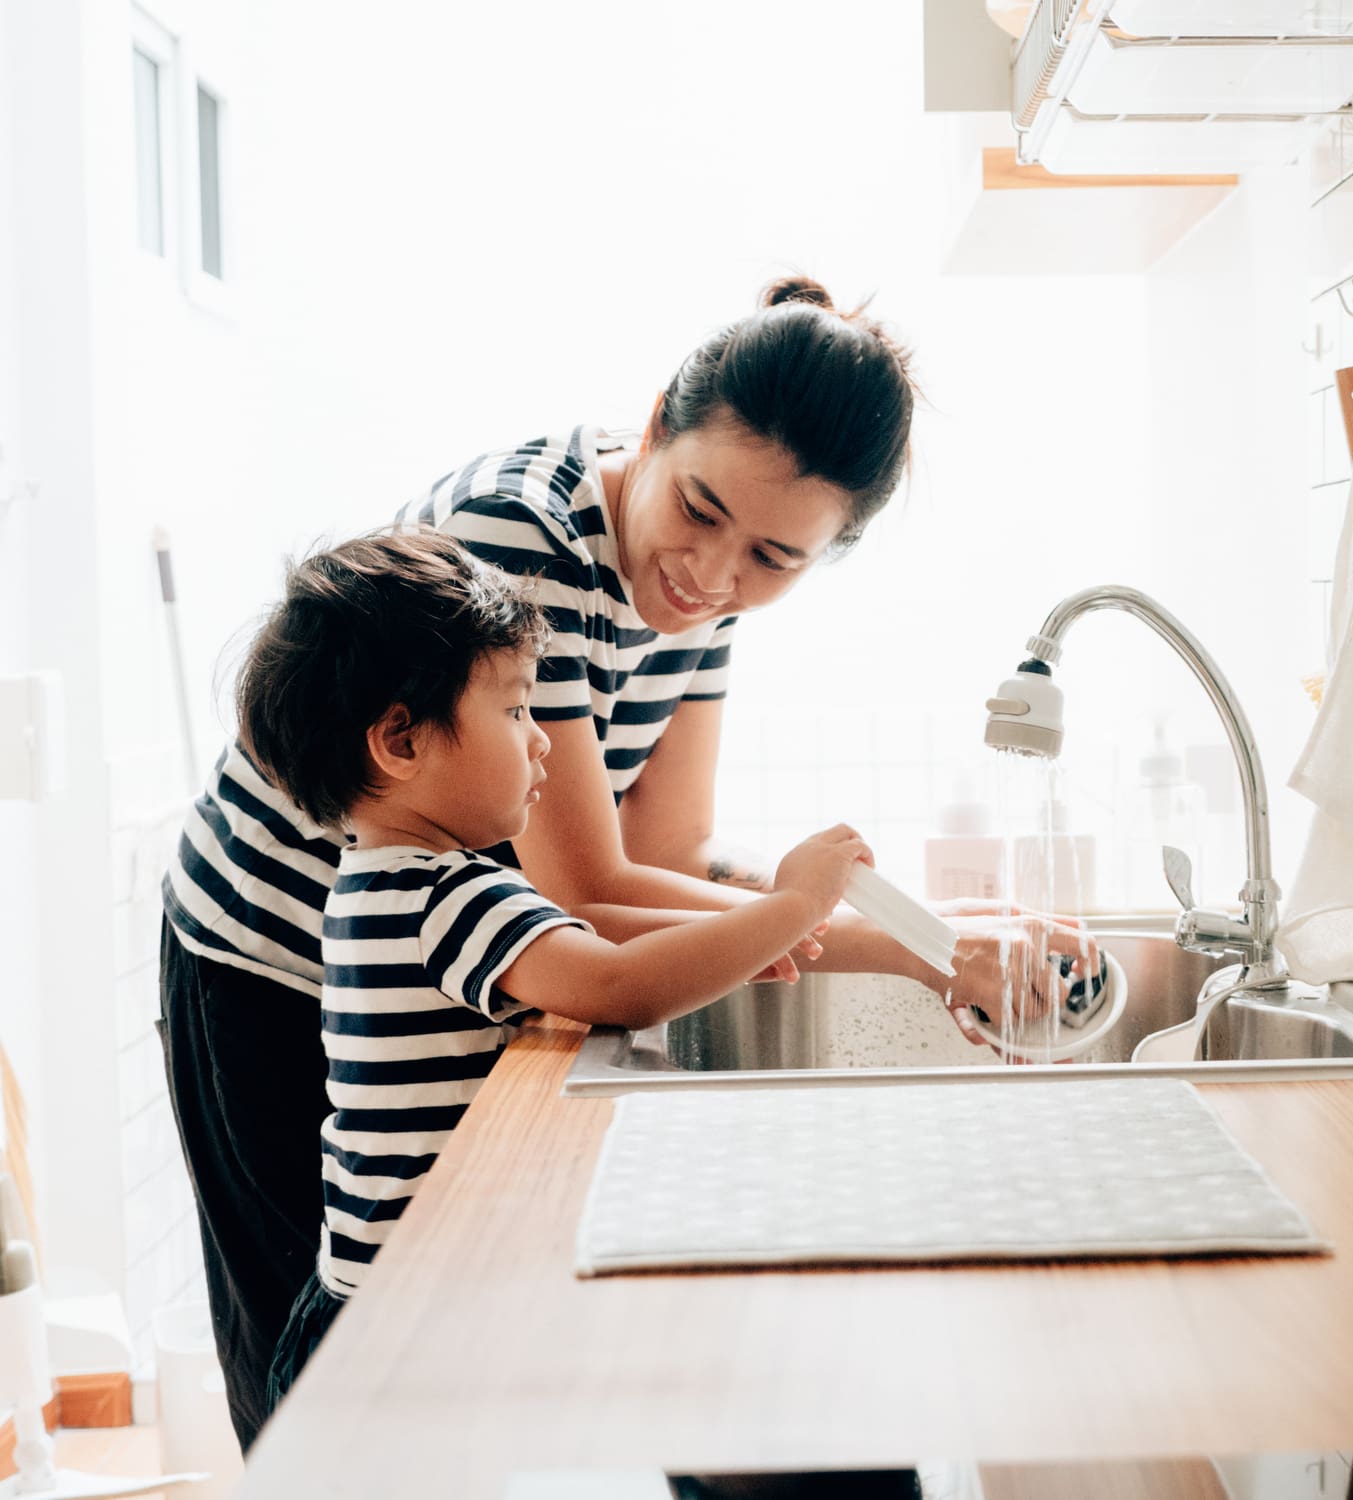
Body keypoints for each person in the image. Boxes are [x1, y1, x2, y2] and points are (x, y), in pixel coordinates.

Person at [159, 276, 1091, 1449]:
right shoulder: (522, 542)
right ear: (652, 423)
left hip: (449, 964)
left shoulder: (710, 599)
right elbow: (588, 899)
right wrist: (907, 951)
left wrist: (911, 926)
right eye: (697, 509)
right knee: (311, 1411)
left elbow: (668, 853)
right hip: (275, 955)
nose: (711, 575)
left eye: (771, 556)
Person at [241, 530, 875, 1407]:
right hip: (405, 1329)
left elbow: (599, 957)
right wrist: (793, 905)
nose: (542, 742)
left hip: (362, 1301)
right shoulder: (448, 897)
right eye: (512, 711)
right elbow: (617, 981)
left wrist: (741, 949)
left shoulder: (376, 881)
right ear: (400, 740)